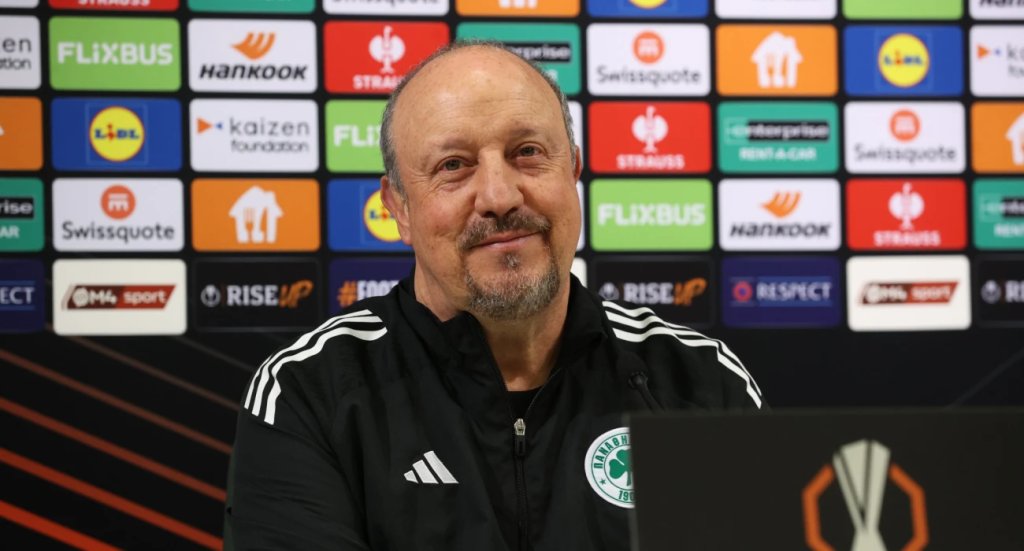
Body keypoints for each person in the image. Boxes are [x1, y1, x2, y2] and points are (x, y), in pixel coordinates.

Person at [224, 41, 764, 551]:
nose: (500, 196)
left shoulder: (696, 380)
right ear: (399, 208)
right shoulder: (311, 392)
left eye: (527, 152)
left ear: (573, 171)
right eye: (453, 166)